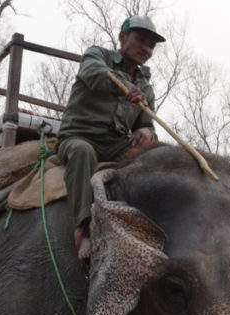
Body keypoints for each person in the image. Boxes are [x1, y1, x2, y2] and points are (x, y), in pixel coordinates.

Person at [57, 16, 165, 262]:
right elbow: (93, 73)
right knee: (82, 151)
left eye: (151, 46)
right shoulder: (97, 56)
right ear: (122, 37)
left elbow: (147, 124)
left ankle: (148, 227)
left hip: (114, 144)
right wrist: (125, 87)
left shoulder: (146, 88)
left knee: (153, 157)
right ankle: (82, 228)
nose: (146, 49)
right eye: (140, 40)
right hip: (79, 136)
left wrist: (146, 133)